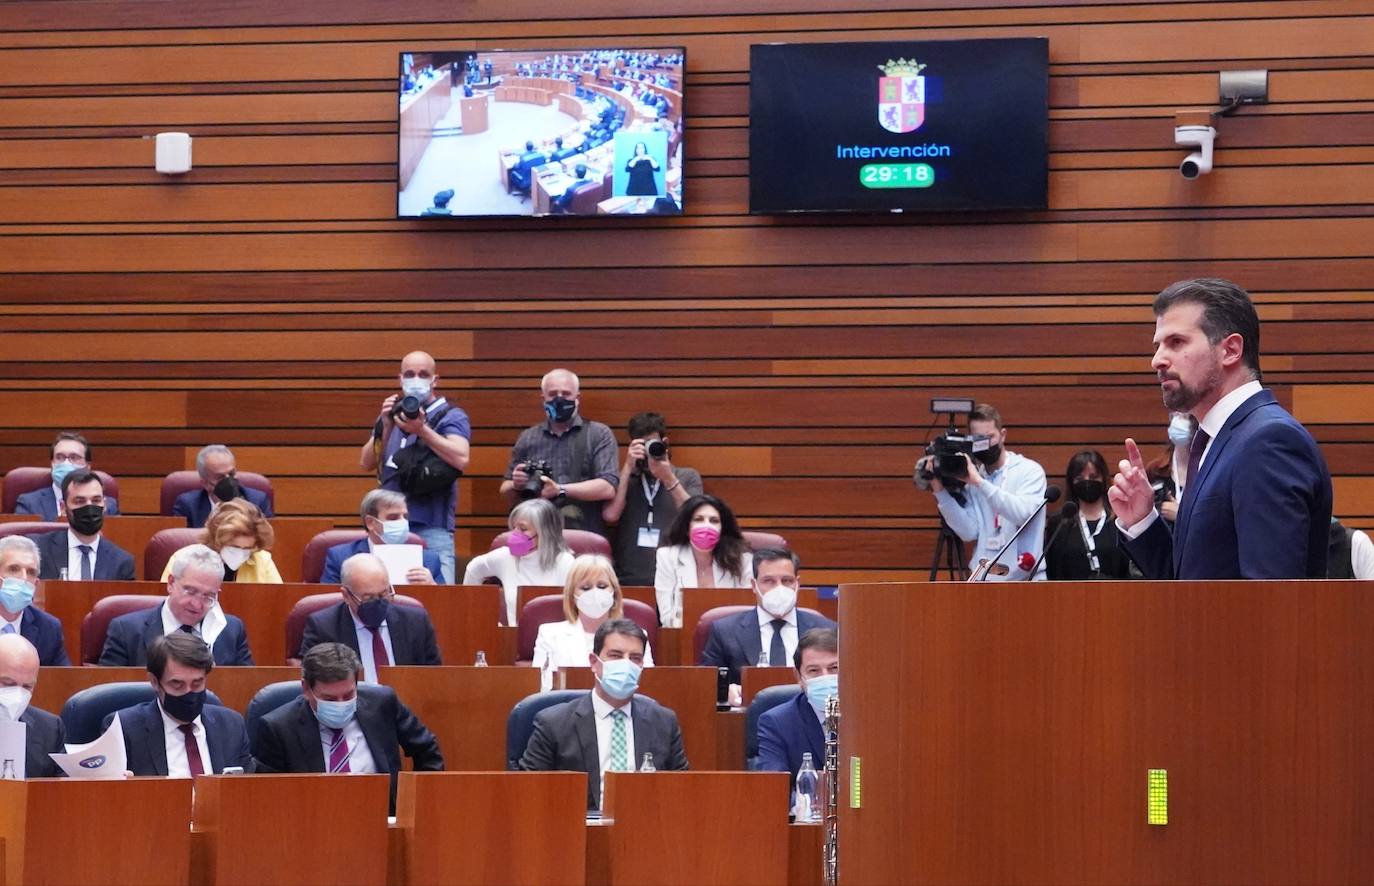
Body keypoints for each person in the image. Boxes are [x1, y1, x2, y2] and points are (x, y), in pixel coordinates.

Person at [1110, 278, 1333, 579]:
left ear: (1230, 350)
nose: (1156, 360)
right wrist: (1142, 521)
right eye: (1158, 345)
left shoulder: (1268, 441)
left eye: (1176, 342)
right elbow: (1190, 585)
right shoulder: (1215, 441)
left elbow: (1273, 600)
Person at [252, 642, 444, 813]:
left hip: (383, 820)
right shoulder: (277, 728)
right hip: (312, 826)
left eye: (348, 695)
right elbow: (270, 798)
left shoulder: (382, 703)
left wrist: (416, 806)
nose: (341, 703)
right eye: (329, 698)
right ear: (306, 689)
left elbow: (427, 750)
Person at [519, 618, 688, 809]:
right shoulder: (553, 724)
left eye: (635, 658)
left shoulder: (664, 722)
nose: (626, 665)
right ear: (594, 662)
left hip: (646, 829)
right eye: (615, 655)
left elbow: (681, 793)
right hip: (577, 829)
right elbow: (527, 793)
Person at [360, 350, 471, 584]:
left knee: (440, 597)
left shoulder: (451, 415)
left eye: (423, 374)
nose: (416, 379)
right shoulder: (392, 415)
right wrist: (387, 425)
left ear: (435, 380)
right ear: (400, 379)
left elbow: (461, 457)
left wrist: (422, 430)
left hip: (431, 525)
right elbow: (367, 462)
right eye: (410, 374)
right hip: (387, 526)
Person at [917, 403, 1048, 580]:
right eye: (979, 439)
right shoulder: (974, 477)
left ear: (1003, 435)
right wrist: (939, 489)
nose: (985, 444)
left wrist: (979, 483)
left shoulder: (1029, 471)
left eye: (990, 437)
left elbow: (1022, 515)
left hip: (1025, 580)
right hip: (985, 580)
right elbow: (968, 532)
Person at [106, 632, 254, 777]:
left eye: (197, 683)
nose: (189, 693)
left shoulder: (232, 725)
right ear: (154, 682)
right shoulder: (123, 729)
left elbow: (247, 792)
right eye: (177, 684)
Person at [699, 548, 836, 702]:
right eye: (769, 581)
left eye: (787, 581)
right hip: (749, 719)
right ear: (753, 585)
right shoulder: (724, 631)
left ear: (797, 583)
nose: (779, 588)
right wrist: (725, 690)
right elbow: (705, 687)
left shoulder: (828, 630)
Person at [501, 368, 619, 537]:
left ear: (577, 398)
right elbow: (505, 489)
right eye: (553, 394)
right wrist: (516, 484)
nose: (559, 399)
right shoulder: (528, 437)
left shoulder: (598, 434)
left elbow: (607, 487)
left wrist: (560, 490)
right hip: (536, 535)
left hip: (583, 534)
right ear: (543, 398)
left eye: (566, 394)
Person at [101, 544, 254, 666]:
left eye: (208, 596)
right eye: (190, 591)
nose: (196, 604)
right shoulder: (126, 631)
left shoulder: (231, 630)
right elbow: (110, 697)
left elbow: (245, 688)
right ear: (171, 583)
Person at [299, 553, 441, 681]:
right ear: (346, 596)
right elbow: (315, 684)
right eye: (368, 598)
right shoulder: (323, 627)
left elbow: (433, 678)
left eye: (383, 594)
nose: (378, 602)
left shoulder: (416, 622)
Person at [604, 412, 704, 588]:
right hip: (629, 576)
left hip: (674, 575)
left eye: (652, 443)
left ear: (665, 444)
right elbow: (611, 515)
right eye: (643, 445)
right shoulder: (627, 480)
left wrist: (667, 477)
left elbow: (695, 516)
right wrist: (627, 468)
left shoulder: (687, 476)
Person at [531, 554, 655, 691]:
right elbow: (541, 687)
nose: (595, 593)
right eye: (585, 588)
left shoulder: (637, 636)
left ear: (614, 592)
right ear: (572, 595)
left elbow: (646, 687)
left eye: (602, 586)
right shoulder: (549, 634)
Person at [463, 499, 575, 625]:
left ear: (544, 533)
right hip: (515, 638)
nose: (515, 534)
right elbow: (473, 569)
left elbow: (573, 609)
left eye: (523, 529)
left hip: (555, 640)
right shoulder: (505, 556)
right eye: (514, 527)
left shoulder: (565, 562)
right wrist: (479, 615)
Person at [756, 627, 837, 790]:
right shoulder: (777, 723)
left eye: (834, 668)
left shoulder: (871, 718)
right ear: (799, 677)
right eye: (814, 671)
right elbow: (775, 789)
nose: (825, 677)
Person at [653, 494, 751, 629]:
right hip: (682, 636)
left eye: (714, 521)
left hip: (729, 638)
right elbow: (666, 617)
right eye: (699, 519)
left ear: (722, 528)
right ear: (687, 527)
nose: (707, 526)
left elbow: (745, 615)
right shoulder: (667, 557)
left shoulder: (743, 561)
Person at [1042, 451, 1132, 580]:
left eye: (1093, 476)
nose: (1087, 482)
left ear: (1103, 479)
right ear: (1072, 482)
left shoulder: (1120, 520)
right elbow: (1053, 569)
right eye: (1079, 478)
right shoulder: (1059, 523)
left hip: (1118, 595)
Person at [320, 489, 441, 585]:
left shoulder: (429, 560)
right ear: (370, 523)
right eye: (393, 518)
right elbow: (329, 604)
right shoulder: (340, 557)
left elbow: (446, 606)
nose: (402, 522)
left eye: (405, 516)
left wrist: (432, 586)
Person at [34, 470, 136, 581]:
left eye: (96, 500)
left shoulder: (122, 562)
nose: (89, 507)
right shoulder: (39, 551)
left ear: (105, 504)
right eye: (80, 501)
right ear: (63, 507)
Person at [160, 498, 281, 583]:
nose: (241, 553)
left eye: (247, 549)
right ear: (217, 539)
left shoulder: (262, 561)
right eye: (235, 547)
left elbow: (277, 603)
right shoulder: (182, 559)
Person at [15, 431, 121, 520]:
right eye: (60, 457)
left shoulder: (109, 505)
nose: (66, 463)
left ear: (87, 466)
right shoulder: (29, 503)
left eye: (74, 457)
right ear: (52, 464)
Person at [0, 632, 65, 777]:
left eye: (27, 686)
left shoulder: (50, 729)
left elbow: (64, 791)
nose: (17, 694)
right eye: (8, 683)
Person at [0, 535, 71, 666]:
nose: (23, 578)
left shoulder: (48, 628)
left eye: (31, 572)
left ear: (36, 584)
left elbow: (61, 682)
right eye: (14, 569)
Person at [173, 444, 274, 528]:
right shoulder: (187, 505)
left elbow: (268, 540)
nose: (228, 480)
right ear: (205, 483)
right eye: (220, 477)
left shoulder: (257, 501)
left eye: (231, 474)